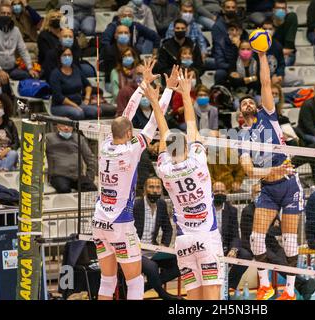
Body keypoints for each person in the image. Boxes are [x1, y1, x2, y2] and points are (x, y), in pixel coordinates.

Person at [92, 58, 177, 301]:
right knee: (135, 281)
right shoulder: (131, 149)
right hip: (120, 223)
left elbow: (126, 115)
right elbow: (154, 122)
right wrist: (166, 90)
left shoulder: (105, 145)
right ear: (129, 134)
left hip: (99, 222)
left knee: (107, 281)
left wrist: (142, 85)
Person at [148, 69, 223, 300]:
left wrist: (153, 100)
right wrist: (187, 93)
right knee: (213, 295)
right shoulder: (198, 160)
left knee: (193, 295)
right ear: (187, 147)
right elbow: (191, 124)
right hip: (206, 237)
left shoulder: (164, 169)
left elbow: (163, 134)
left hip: (183, 241)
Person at [237, 50, 303, 301]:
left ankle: (289, 291)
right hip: (268, 188)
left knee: (289, 241)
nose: (247, 103)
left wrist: (263, 55)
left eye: (249, 100)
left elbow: (265, 82)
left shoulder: (269, 116)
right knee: (256, 238)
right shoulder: (242, 137)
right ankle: (265, 285)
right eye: (243, 103)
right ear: (240, 113)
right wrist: (270, 171)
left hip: (289, 187)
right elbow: (248, 170)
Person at [240, 183, 315, 300]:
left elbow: (279, 229)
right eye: (256, 193)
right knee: (276, 260)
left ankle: (300, 287)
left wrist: (267, 228)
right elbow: (252, 232)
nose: (259, 195)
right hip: (253, 244)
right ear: (252, 196)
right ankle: (303, 284)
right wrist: (268, 227)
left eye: (261, 192)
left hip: (271, 242)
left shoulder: (270, 208)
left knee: (285, 257)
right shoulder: (247, 211)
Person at [133, 176, 181, 300]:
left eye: (158, 187)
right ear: (145, 190)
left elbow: (168, 228)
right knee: (152, 267)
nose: (155, 190)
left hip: (153, 249)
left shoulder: (161, 204)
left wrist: (164, 246)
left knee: (181, 263)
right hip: (135, 251)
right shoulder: (136, 205)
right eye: (151, 187)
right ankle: (163, 294)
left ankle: (146, 287)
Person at [49, 47, 116, 120]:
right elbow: (59, 96)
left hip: (79, 104)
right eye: (64, 55)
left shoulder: (76, 69)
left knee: (96, 111)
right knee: (78, 113)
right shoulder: (55, 74)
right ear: (59, 57)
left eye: (69, 55)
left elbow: (88, 85)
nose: (67, 57)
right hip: (59, 106)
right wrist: (75, 105)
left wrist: (87, 99)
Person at [212, 181, 252, 296]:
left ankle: (227, 286)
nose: (220, 193)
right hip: (210, 248)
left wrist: (234, 249)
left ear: (227, 193)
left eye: (222, 191)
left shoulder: (232, 210)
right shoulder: (206, 210)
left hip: (225, 248)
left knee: (245, 255)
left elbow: (235, 234)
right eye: (216, 191)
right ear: (211, 193)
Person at [0, 4, 39, 93]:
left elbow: (23, 50)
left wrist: (30, 68)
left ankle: (21, 103)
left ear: (12, 15)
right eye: (3, 13)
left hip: (12, 69)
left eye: (8, 13)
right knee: (2, 85)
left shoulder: (16, 30)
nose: (6, 15)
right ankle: (5, 103)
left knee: (31, 76)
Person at [46, 123, 97, 193]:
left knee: (91, 188)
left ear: (73, 127)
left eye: (69, 125)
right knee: (63, 189)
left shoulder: (79, 138)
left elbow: (90, 158)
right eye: (63, 125)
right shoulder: (48, 138)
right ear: (58, 126)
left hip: (77, 176)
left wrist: (89, 178)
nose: (66, 128)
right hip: (58, 176)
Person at [213, 20, 244, 85]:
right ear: (227, 31)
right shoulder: (220, 43)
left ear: (241, 31)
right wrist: (232, 70)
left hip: (243, 68)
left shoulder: (247, 42)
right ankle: (219, 91)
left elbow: (249, 60)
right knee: (220, 73)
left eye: (237, 30)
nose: (234, 33)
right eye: (232, 30)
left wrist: (239, 47)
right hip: (227, 68)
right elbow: (220, 63)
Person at [0, 95, 19, 172]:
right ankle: (6, 168)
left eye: (0, 105)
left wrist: (7, 150)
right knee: (10, 167)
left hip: (8, 154)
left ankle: (2, 170)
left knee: (13, 154)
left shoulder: (10, 124)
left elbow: (16, 143)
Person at [271, 0, 298, 67]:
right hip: (271, 55)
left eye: (283, 8)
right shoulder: (268, 22)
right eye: (278, 8)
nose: (280, 11)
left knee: (279, 67)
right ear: (273, 10)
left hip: (285, 55)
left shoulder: (290, 18)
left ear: (286, 11)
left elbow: (289, 49)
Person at [260, 19, 286, 86]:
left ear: (274, 30)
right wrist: (270, 78)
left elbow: (281, 63)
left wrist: (279, 75)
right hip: (260, 77)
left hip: (275, 74)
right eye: (264, 29)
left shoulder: (278, 46)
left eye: (270, 29)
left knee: (298, 81)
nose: (267, 31)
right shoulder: (254, 45)